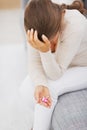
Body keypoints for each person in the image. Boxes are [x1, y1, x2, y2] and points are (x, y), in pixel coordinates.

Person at [20, 0, 87, 130]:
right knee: (26, 88)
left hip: (84, 67)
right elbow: (34, 62)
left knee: (50, 88)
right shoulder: (35, 25)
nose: (50, 47)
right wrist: (40, 84)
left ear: (58, 28)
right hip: (68, 67)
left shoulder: (75, 25)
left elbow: (55, 74)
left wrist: (44, 51)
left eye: (52, 42)